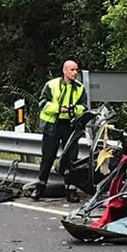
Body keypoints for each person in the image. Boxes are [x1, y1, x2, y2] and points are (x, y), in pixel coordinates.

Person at [31, 60, 85, 202]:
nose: (75, 73)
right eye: (72, 70)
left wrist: (73, 110)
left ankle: (71, 191)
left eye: (76, 70)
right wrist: (58, 109)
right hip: (52, 125)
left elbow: (83, 106)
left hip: (70, 125)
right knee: (48, 157)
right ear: (64, 71)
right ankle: (39, 188)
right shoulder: (52, 85)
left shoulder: (80, 87)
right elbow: (42, 103)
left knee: (71, 158)